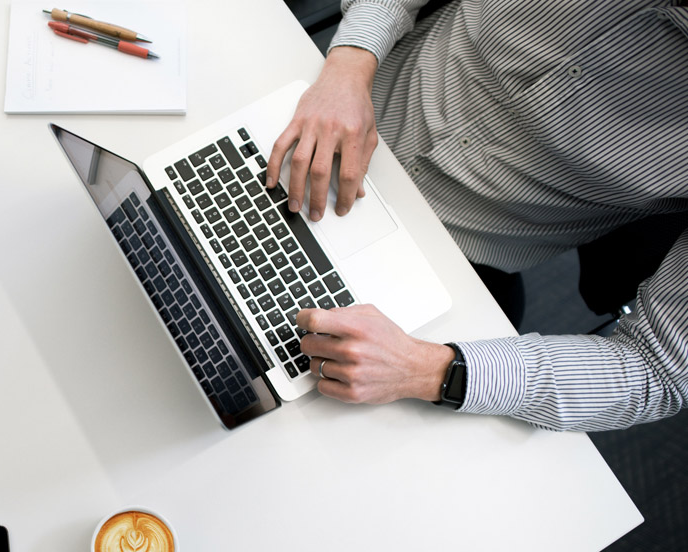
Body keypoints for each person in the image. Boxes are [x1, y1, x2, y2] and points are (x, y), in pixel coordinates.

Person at [268, 0, 688, 432]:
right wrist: (351, 63)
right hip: (330, 105)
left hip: (448, 261)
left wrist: (429, 370)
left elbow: (657, 370)